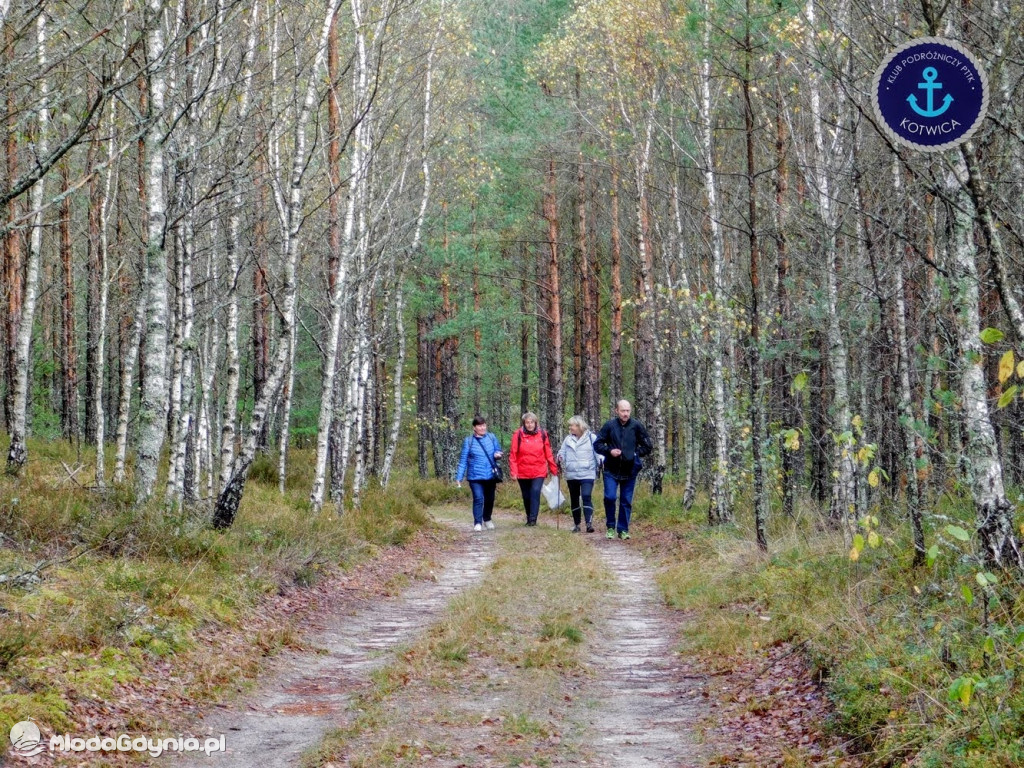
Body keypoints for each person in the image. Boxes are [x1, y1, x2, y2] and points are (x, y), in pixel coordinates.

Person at [594, 400, 652, 540]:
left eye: (627, 411)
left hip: (630, 470)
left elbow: (648, 446)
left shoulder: (636, 426)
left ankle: (623, 530)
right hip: (611, 469)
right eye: (622, 411)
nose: (625, 414)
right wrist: (610, 451)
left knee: (626, 501)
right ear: (616, 411)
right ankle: (610, 527)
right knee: (610, 497)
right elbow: (597, 444)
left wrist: (635, 453)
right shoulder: (609, 426)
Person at [509, 411, 558, 526]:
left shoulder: (542, 434)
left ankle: (533, 520)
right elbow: (513, 454)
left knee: (535, 492)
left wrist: (553, 469)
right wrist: (513, 471)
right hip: (522, 470)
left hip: (539, 470)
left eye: (532, 422)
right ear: (524, 424)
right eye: (527, 422)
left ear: (536, 423)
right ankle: (528, 517)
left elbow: (548, 453)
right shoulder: (518, 434)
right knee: (526, 495)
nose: (530, 425)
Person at [455, 415, 503, 532]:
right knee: (478, 498)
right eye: (479, 426)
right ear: (474, 428)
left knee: (490, 499)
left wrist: (498, 454)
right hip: (475, 476)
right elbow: (463, 460)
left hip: (490, 475)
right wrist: (459, 477)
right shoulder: (469, 441)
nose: (482, 428)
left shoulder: (492, 437)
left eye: (483, 425)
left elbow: (498, 450)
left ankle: (487, 519)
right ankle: (477, 522)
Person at [556, 415, 602, 533]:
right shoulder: (568, 439)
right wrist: (559, 458)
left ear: (579, 426)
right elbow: (562, 452)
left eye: (572, 425)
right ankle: (576, 524)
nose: (570, 427)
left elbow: (598, 452)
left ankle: (589, 523)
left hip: (587, 473)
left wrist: (602, 461)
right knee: (574, 498)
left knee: (586, 496)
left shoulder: (592, 438)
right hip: (572, 474)